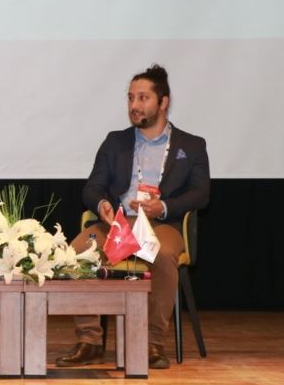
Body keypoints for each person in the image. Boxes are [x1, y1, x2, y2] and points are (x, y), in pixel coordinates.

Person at [55, 64, 210, 369]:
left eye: (143, 98)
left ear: (163, 102)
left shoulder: (191, 145)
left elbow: (200, 194)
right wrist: (101, 203)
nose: (134, 105)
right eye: (130, 98)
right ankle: (89, 341)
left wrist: (163, 206)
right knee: (74, 253)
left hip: (160, 224)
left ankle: (152, 343)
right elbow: (92, 187)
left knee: (162, 254)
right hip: (117, 223)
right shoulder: (115, 142)